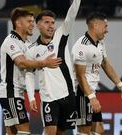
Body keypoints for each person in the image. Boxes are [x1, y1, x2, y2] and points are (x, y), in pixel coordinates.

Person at [0, 7, 62, 135]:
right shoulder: (11, 41)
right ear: (18, 23)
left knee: (12, 131)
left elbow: (32, 67)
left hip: (16, 93)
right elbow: (21, 63)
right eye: (29, 21)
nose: (33, 24)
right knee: (24, 130)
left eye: (33, 21)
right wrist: (44, 63)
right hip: (10, 92)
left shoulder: (27, 42)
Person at [24, 0, 81, 134]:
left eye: (53, 23)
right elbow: (29, 74)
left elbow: (71, 15)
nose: (51, 26)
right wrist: (31, 97)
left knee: (61, 132)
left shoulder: (61, 35)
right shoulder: (32, 50)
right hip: (48, 98)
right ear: (38, 25)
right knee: (50, 131)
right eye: (47, 22)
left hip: (68, 95)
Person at [71, 12, 122, 135]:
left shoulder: (100, 44)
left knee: (99, 131)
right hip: (81, 93)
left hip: (91, 92)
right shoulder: (81, 46)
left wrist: (120, 85)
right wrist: (91, 98)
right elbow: (80, 75)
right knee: (84, 131)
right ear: (96, 26)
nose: (107, 30)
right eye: (105, 26)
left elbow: (105, 64)